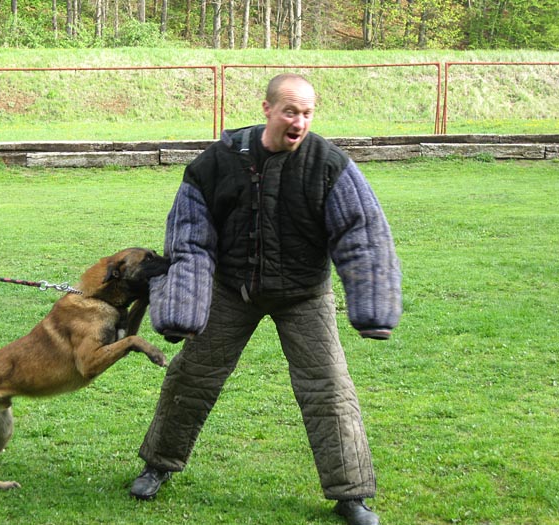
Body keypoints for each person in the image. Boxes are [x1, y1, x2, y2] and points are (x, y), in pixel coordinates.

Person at [130, 73, 402, 525]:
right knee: (191, 377)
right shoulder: (216, 164)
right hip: (232, 290)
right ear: (268, 109)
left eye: (308, 113)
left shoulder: (329, 165)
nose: (300, 121)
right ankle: (157, 465)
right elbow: (190, 237)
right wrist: (183, 305)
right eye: (290, 111)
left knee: (329, 390)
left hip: (303, 296)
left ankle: (351, 495)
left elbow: (361, 234)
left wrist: (372, 304)